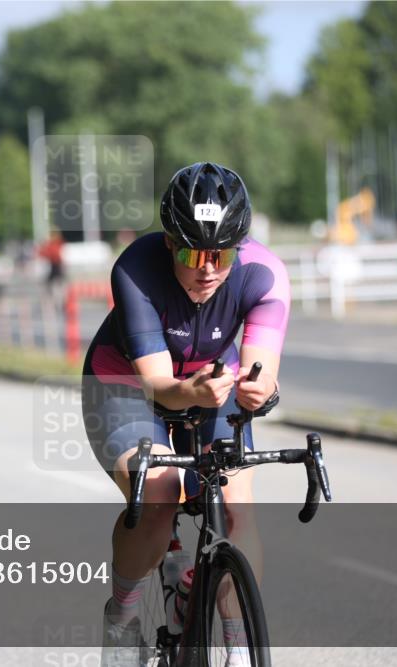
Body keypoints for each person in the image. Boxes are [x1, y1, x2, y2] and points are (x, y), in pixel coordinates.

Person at [80, 163, 290, 666]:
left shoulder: (264, 273)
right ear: (169, 242)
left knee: (238, 508)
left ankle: (239, 649)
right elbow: (159, 386)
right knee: (159, 494)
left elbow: (263, 371)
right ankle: (124, 616)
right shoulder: (136, 268)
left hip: (211, 386)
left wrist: (259, 391)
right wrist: (188, 390)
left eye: (221, 254)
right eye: (193, 252)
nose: (208, 269)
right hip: (128, 383)